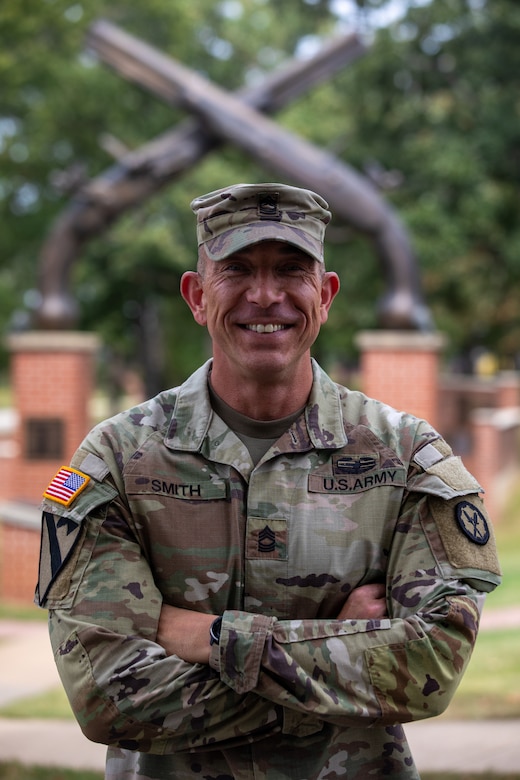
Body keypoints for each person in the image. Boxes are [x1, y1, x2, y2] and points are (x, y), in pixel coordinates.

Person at [36, 182, 501, 780]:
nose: (265, 294)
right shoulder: (118, 460)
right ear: (197, 296)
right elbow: (107, 697)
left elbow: (428, 668)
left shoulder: (406, 457)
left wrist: (203, 636)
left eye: (291, 270)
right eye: (236, 271)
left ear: (326, 295)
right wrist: (333, 646)